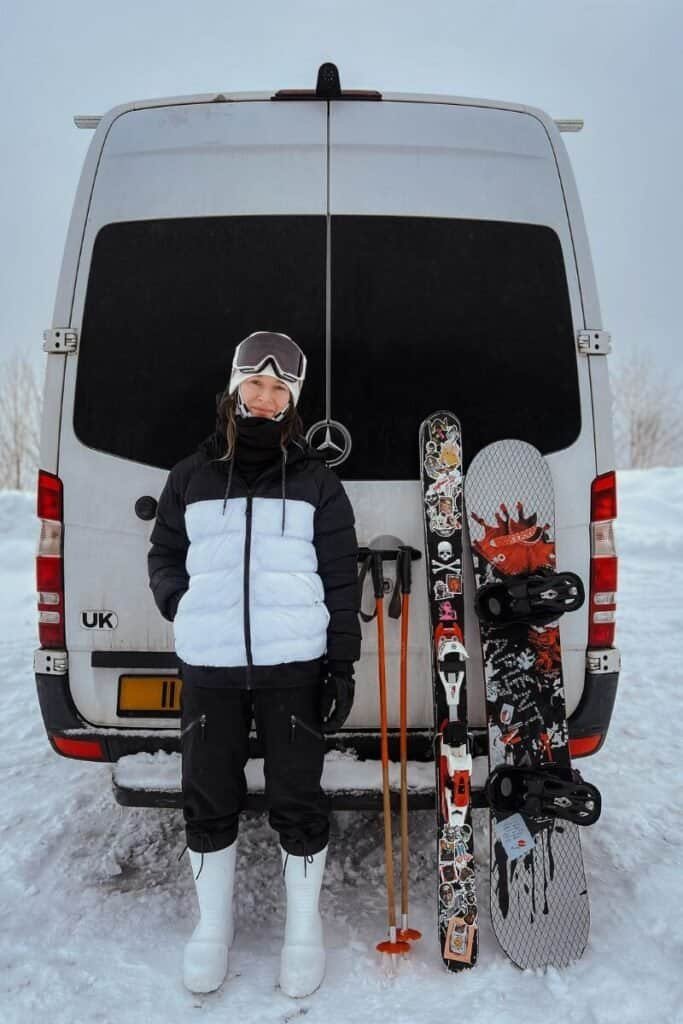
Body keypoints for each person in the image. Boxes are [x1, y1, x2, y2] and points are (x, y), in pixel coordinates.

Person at [147, 331, 361, 997]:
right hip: (208, 668)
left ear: (292, 400)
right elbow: (163, 553)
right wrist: (181, 602)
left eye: (279, 389)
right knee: (208, 796)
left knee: (297, 798)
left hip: (291, 667)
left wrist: (340, 665)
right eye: (256, 384)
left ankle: (303, 930)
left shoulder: (317, 484)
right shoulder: (191, 475)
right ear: (235, 386)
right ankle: (212, 929)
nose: (265, 397)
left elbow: (339, 581)